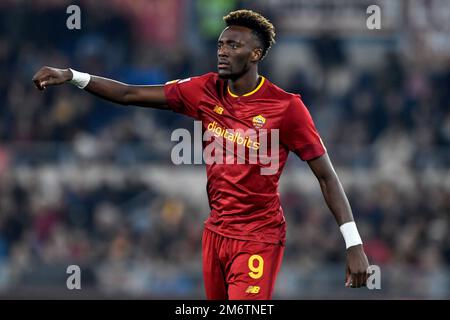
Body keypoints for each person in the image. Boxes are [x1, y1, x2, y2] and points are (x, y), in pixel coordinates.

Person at [32, 9, 369, 300]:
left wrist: (353, 243)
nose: (222, 52)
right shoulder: (205, 89)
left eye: (233, 45)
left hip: (258, 237)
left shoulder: (287, 107)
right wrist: (72, 76)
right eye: (220, 44)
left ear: (255, 54)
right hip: (215, 235)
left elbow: (326, 176)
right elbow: (129, 93)